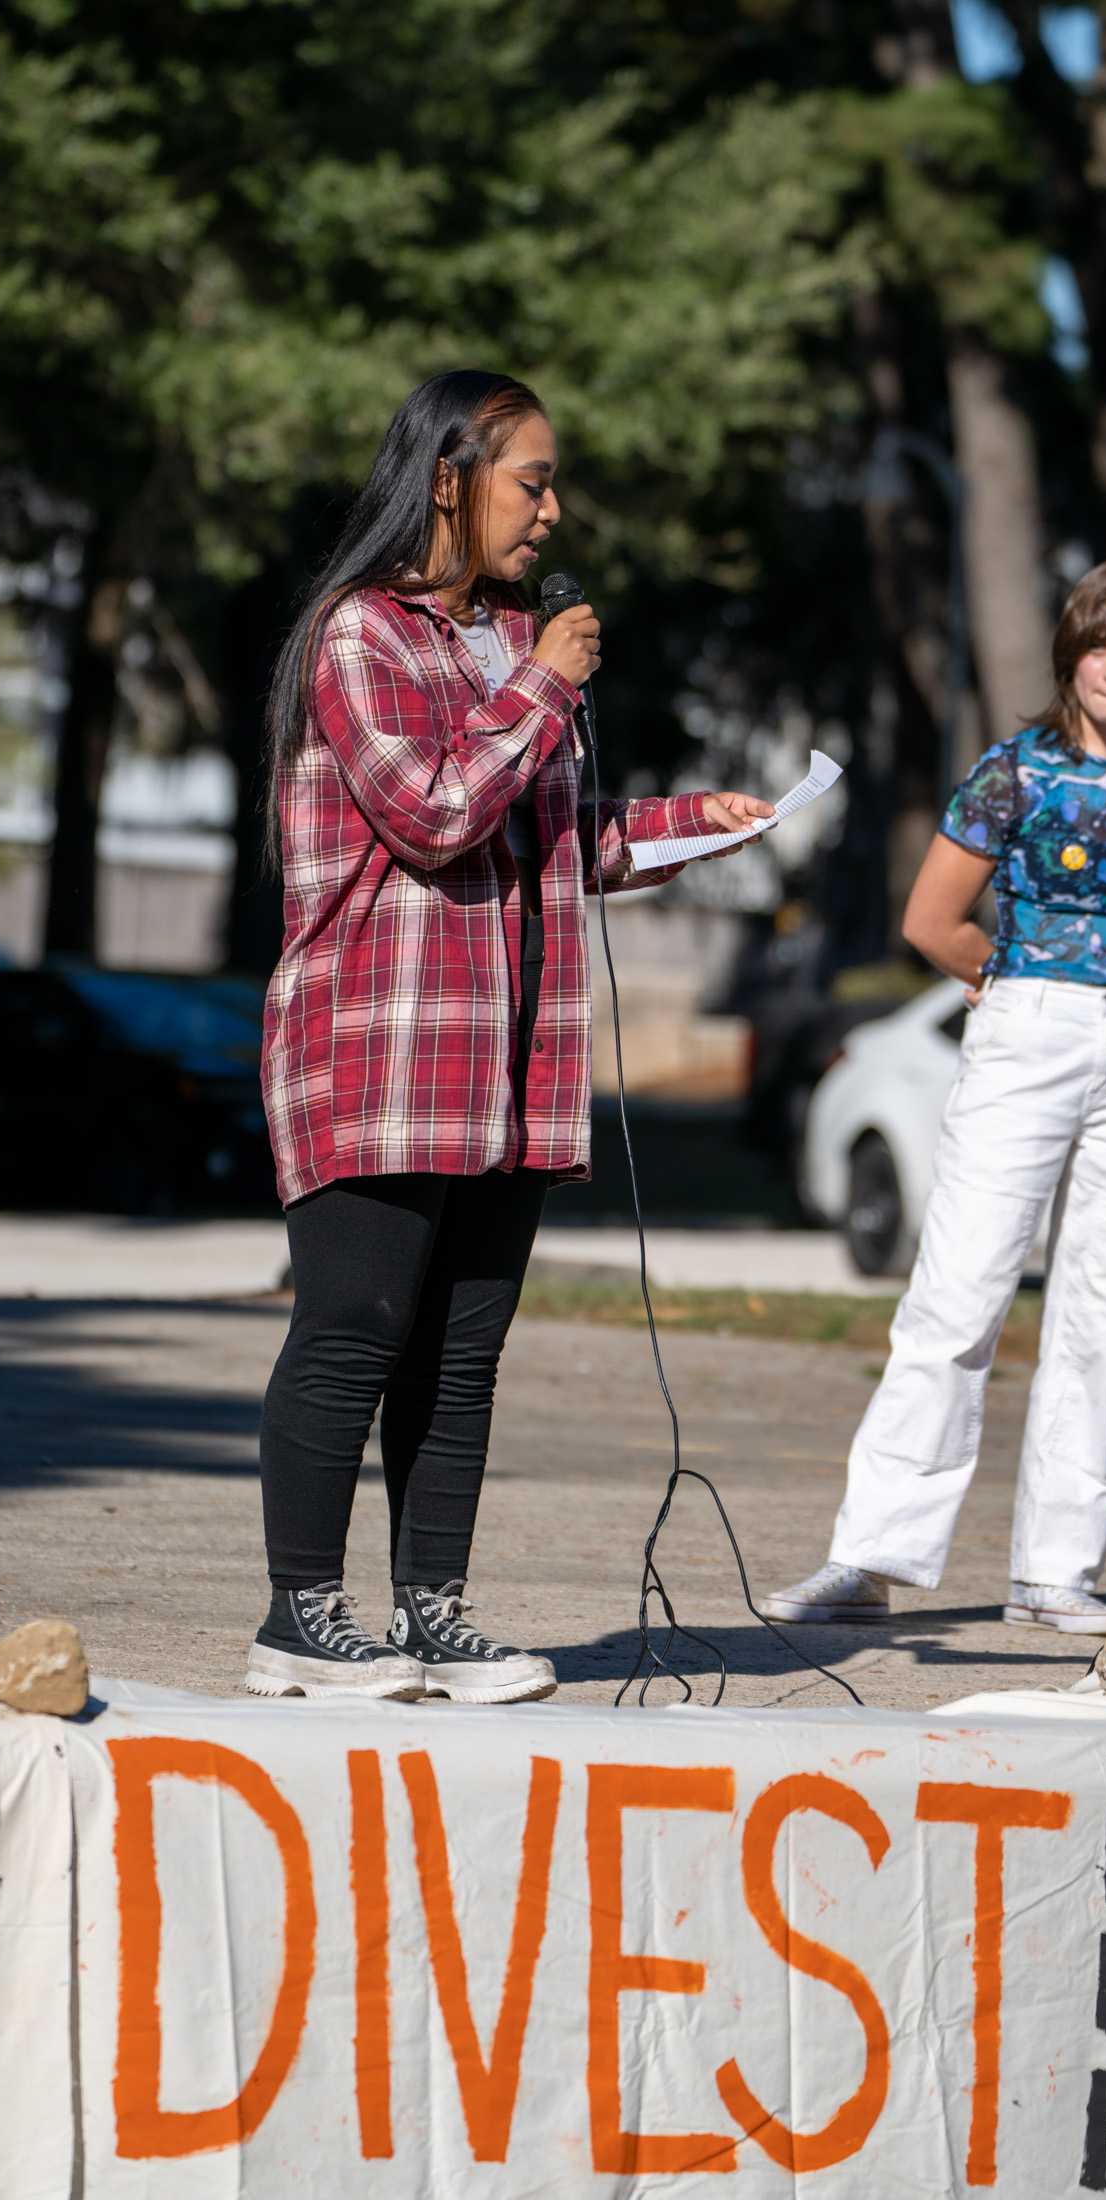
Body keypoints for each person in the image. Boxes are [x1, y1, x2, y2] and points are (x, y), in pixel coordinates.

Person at [247, 368, 772, 1705]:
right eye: (529, 481)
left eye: (550, 484)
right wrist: (541, 679)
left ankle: (435, 1614)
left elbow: (543, 843)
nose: (551, 509)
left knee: (461, 1351)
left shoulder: (502, 645)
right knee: (355, 1325)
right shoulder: (360, 635)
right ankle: (299, 1622)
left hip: (506, 1056)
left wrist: (683, 828)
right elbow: (430, 813)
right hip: (378, 1041)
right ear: (446, 479)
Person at [762, 555, 1106, 1636]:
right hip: (1029, 1022)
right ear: (1072, 650)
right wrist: (1014, 982)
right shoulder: (1013, 771)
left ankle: (1056, 1572)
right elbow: (933, 919)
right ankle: (871, 1555)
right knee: (959, 1288)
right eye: (1102, 640)